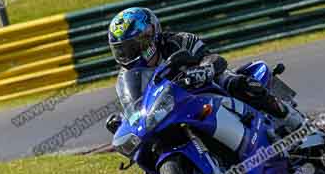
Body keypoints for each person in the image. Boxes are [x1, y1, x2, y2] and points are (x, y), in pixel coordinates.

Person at [104, 7, 304, 136]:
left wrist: (204, 70)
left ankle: (292, 120)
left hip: (206, 87)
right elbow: (136, 106)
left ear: (150, 36)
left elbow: (214, 59)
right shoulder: (126, 77)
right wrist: (124, 120)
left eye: (132, 47)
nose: (128, 54)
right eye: (122, 50)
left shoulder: (178, 41)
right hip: (175, 109)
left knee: (235, 82)